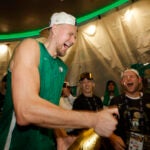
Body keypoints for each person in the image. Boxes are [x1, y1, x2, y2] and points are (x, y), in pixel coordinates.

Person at [0, 12, 118, 150]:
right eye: (70, 34)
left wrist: (62, 137)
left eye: (75, 36)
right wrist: (94, 119)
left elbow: (50, 108)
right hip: (17, 144)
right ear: (54, 29)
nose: (74, 40)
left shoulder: (61, 67)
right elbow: (25, 111)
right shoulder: (30, 47)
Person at [109, 68, 150, 150]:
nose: (128, 79)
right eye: (125, 77)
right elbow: (107, 125)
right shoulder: (115, 101)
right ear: (121, 83)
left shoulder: (148, 98)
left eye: (131, 76)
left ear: (139, 80)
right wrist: (112, 138)